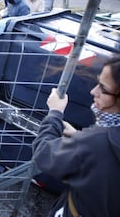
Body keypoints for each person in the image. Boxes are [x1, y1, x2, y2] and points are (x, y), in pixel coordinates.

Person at [32, 56, 120, 217]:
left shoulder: (97, 141)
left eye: (103, 88)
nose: (93, 91)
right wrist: (79, 137)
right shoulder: (102, 138)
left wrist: (54, 114)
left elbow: (45, 153)